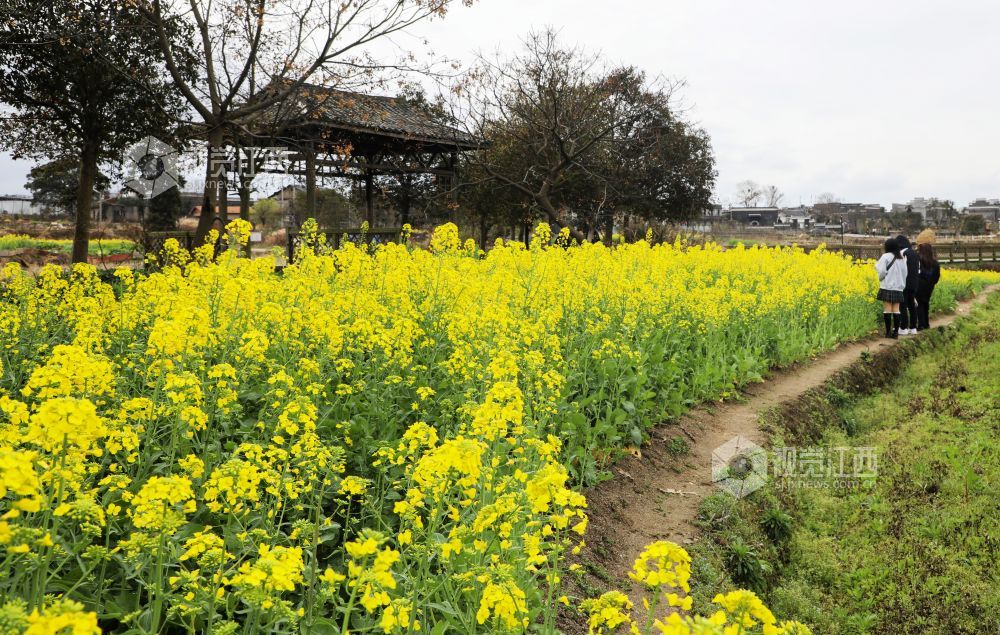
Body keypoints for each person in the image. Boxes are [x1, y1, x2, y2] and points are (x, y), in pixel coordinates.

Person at [876, 237, 907, 338]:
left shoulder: (885, 257)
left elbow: (881, 272)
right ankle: (896, 333)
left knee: (887, 309)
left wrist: (881, 279)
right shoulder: (902, 258)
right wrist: (901, 284)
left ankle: (888, 332)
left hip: (887, 286)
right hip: (898, 287)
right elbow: (905, 273)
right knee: (896, 310)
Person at [895, 234, 920, 335]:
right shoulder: (914, 253)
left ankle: (903, 327)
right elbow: (918, 270)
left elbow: (899, 270)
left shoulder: (902, 253)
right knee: (911, 305)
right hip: (914, 283)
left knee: (902, 305)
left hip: (904, 283)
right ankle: (913, 328)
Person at [915, 242, 940, 331]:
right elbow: (937, 276)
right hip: (929, 286)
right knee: (925, 303)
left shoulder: (918, 260)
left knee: (919, 304)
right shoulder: (935, 263)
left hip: (919, 285)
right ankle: (926, 324)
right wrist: (932, 283)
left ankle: (921, 324)